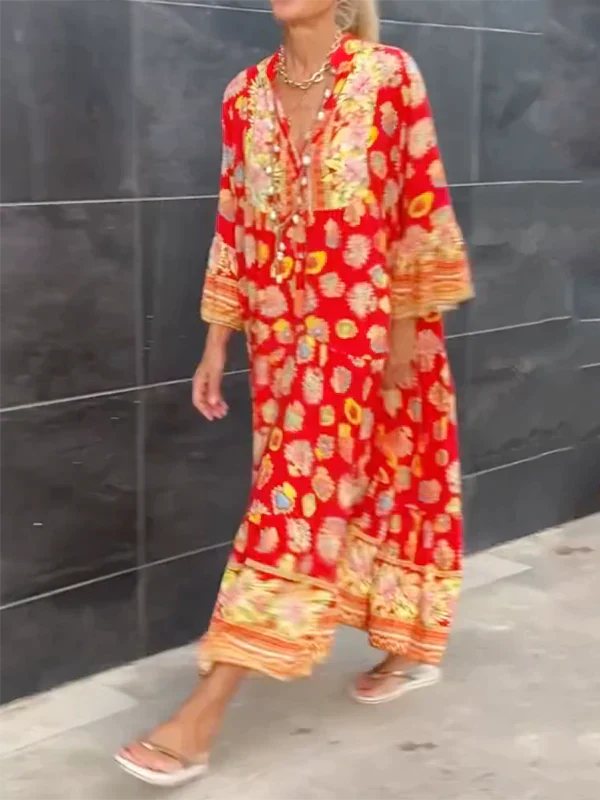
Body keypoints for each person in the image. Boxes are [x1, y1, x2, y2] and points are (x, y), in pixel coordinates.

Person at [115, 0, 473, 787]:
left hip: (371, 327)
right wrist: (217, 340)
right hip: (281, 339)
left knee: (326, 494)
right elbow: (233, 220)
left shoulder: (387, 75)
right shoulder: (244, 95)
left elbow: (419, 202)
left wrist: (405, 332)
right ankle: (404, 644)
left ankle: (203, 714)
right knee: (326, 488)